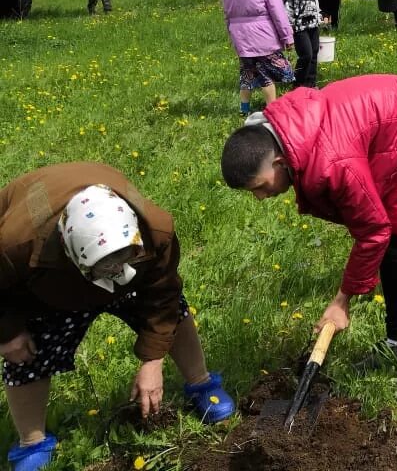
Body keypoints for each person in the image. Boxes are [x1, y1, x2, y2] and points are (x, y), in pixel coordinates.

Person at [219, 75, 397, 389]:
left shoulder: (331, 161)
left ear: (278, 162)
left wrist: (341, 301)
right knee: (390, 250)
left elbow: (374, 229)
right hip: (391, 129)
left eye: (259, 187)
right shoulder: (291, 134)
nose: (260, 197)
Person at [1, 164, 236, 471]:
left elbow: (163, 296)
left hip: (127, 261)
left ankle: (201, 384)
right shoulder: (16, 245)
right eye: (105, 270)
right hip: (50, 284)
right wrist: (7, 332)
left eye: (123, 263)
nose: (116, 276)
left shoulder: (156, 231)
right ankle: (31, 441)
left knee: (173, 313)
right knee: (28, 348)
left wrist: (153, 361)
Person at [221, 0, 295, 114]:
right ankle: (273, 111)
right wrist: (287, 36)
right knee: (266, 75)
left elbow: (228, 15)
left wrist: (232, 35)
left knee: (247, 72)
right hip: (263, 38)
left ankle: (244, 108)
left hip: (241, 38)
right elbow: (278, 12)